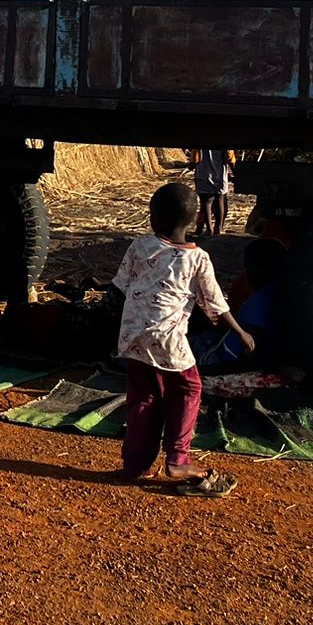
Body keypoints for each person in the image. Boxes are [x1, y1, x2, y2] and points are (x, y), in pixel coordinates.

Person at [113, 182, 254, 496]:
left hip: (132, 335)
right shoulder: (197, 258)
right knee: (189, 387)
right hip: (167, 339)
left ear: (152, 217)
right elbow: (215, 303)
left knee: (144, 396)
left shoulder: (139, 246)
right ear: (192, 221)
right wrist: (240, 331)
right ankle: (178, 459)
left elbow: (123, 285)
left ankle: (136, 465)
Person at [193, 237, 285, 368]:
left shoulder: (259, 301)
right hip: (221, 346)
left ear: (256, 271)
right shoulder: (278, 294)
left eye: (248, 269)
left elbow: (249, 349)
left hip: (216, 358)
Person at [191, 148, 232, 235]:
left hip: (203, 173)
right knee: (219, 201)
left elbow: (195, 158)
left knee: (206, 202)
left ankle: (209, 229)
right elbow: (229, 157)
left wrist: (192, 165)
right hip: (220, 174)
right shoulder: (226, 140)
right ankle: (218, 229)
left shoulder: (200, 139)